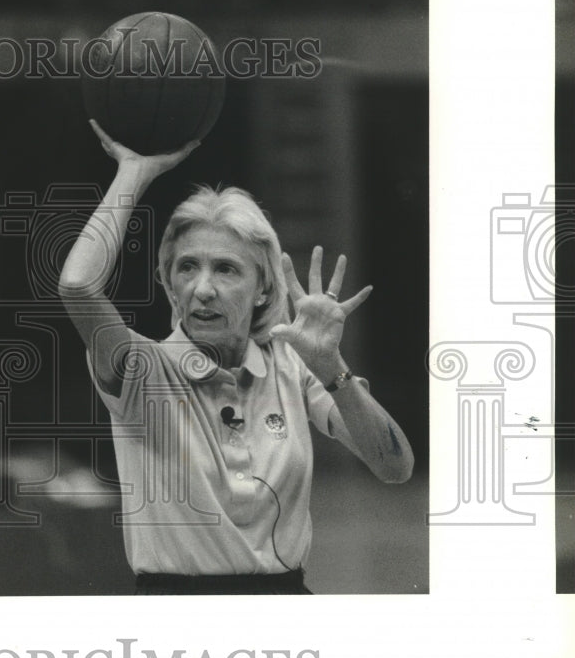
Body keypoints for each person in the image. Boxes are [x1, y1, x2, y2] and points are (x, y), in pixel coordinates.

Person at [59, 120, 414, 594]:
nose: (202, 288)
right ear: (168, 282)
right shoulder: (140, 368)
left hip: (285, 609)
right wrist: (134, 172)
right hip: (175, 618)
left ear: (263, 286)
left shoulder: (292, 366)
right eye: (187, 267)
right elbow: (77, 286)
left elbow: (395, 467)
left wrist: (332, 368)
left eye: (225, 269)